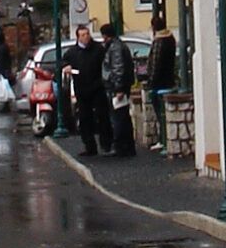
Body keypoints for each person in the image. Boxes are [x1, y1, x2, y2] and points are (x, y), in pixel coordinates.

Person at [65, 23, 110, 159]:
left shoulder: (98, 49)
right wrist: (65, 67)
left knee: (103, 116)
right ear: (78, 37)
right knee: (85, 118)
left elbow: (106, 64)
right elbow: (63, 62)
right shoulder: (72, 52)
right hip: (81, 89)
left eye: (88, 34)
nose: (86, 37)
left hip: (97, 87)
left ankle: (106, 144)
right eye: (83, 35)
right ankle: (89, 146)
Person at [144, 13, 179, 153]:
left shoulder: (159, 42)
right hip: (169, 79)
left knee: (160, 112)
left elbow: (156, 63)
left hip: (159, 83)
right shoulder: (171, 39)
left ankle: (163, 140)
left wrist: (151, 81)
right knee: (163, 113)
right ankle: (163, 140)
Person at [104, 20, 138, 158]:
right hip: (121, 86)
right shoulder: (119, 46)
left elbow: (117, 68)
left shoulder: (115, 48)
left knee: (118, 117)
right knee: (123, 116)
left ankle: (120, 146)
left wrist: (118, 88)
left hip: (116, 87)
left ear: (106, 36)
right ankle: (127, 146)